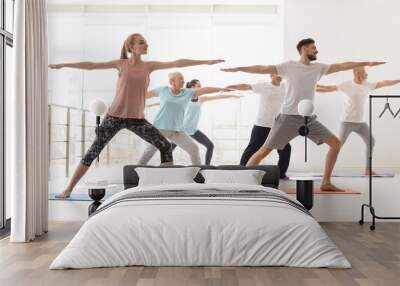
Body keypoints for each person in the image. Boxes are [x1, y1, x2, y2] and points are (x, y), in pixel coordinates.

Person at [49, 33, 224, 198]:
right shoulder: (121, 64)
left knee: (164, 145)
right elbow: (91, 65)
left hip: (137, 120)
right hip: (114, 117)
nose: (146, 44)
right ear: (130, 47)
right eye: (141, 42)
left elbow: (178, 62)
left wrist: (207, 61)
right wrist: (64, 65)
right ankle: (68, 189)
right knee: (92, 152)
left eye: (145, 42)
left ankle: (166, 187)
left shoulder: (149, 66)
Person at [221, 38, 385, 191]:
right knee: (264, 151)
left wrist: (366, 63)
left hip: (308, 119)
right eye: (314, 48)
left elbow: (342, 65)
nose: (316, 51)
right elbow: (262, 68)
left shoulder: (319, 68)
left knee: (335, 144)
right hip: (287, 118)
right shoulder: (288, 66)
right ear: (304, 49)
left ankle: (326, 182)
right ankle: (243, 182)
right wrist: (238, 69)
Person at [317, 67, 400, 175]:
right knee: (337, 146)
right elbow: (328, 88)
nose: (366, 74)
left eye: (366, 72)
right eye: (364, 72)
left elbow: (383, 83)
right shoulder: (346, 85)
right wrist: (313, 87)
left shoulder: (367, 85)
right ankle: (326, 170)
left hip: (361, 123)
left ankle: (368, 170)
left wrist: (399, 80)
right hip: (347, 122)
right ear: (355, 72)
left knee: (371, 142)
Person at [139, 73, 232, 165]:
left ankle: (198, 173)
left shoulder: (187, 93)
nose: (183, 81)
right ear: (172, 81)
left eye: (183, 79)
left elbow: (205, 90)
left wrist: (221, 89)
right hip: (160, 128)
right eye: (180, 79)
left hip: (177, 131)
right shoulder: (163, 90)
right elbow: (144, 95)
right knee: (149, 151)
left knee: (193, 148)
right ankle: (135, 172)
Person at [226, 74, 291, 178]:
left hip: (277, 125)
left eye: (281, 74)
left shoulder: (285, 87)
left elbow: (299, 88)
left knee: (285, 149)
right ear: (271, 75)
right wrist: (230, 87)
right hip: (262, 124)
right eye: (277, 74)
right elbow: (246, 86)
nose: (280, 76)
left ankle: (281, 174)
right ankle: (241, 170)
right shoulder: (263, 85)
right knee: (253, 148)